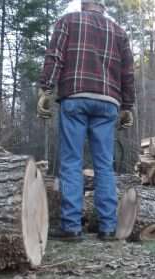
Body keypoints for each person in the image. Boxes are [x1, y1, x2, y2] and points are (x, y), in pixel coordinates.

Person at [38, 0, 135, 242]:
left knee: (71, 161)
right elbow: (128, 73)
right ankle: (108, 228)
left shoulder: (68, 21)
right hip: (108, 102)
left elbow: (55, 57)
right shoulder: (119, 32)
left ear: (84, 4)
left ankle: (71, 227)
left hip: (75, 96)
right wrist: (127, 107)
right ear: (103, 7)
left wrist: (46, 90)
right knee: (104, 165)